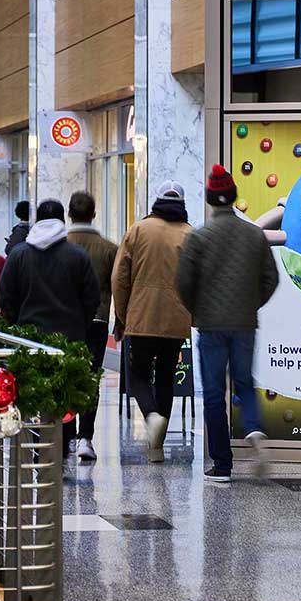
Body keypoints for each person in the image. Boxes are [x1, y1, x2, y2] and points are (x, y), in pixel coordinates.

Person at [176, 165, 278, 482]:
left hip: (210, 325)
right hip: (244, 323)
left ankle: (222, 465)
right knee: (244, 383)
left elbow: (182, 283)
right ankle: (255, 429)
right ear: (234, 197)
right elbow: (270, 279)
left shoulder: (199, 237)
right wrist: (251, 304)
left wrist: (197, 310)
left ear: (209, 199)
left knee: (214, 393)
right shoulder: (254, 234)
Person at [0, 199, 100, 458]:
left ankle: (36, 450)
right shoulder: (77, 256)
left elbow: (6, 295)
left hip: (29, 340)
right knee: (64, 398)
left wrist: (15, 325)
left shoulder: (19, 254)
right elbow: (92, 299)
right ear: (63, 222)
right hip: (70, 338)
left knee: (32, 395)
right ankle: (61, 452)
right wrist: (80, 324)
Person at [113, 180, 193, 463]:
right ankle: (156, 447)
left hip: (142, 315)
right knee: (167, 379)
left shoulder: (138, 230)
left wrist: (122, 316)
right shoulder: (189, 234)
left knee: (139, 374)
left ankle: (152, 417)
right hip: (176, 318)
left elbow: (119, 279)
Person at [66, 191, 118, 462]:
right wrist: (120, 320)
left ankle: (66, 434)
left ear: (69, 213)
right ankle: (85, 438)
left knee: (65, 376)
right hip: (97, 320)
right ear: (94, 214)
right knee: (89, 378)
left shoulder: (60, 245)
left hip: (64, 321)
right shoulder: (109, 249)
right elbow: (118, 287)